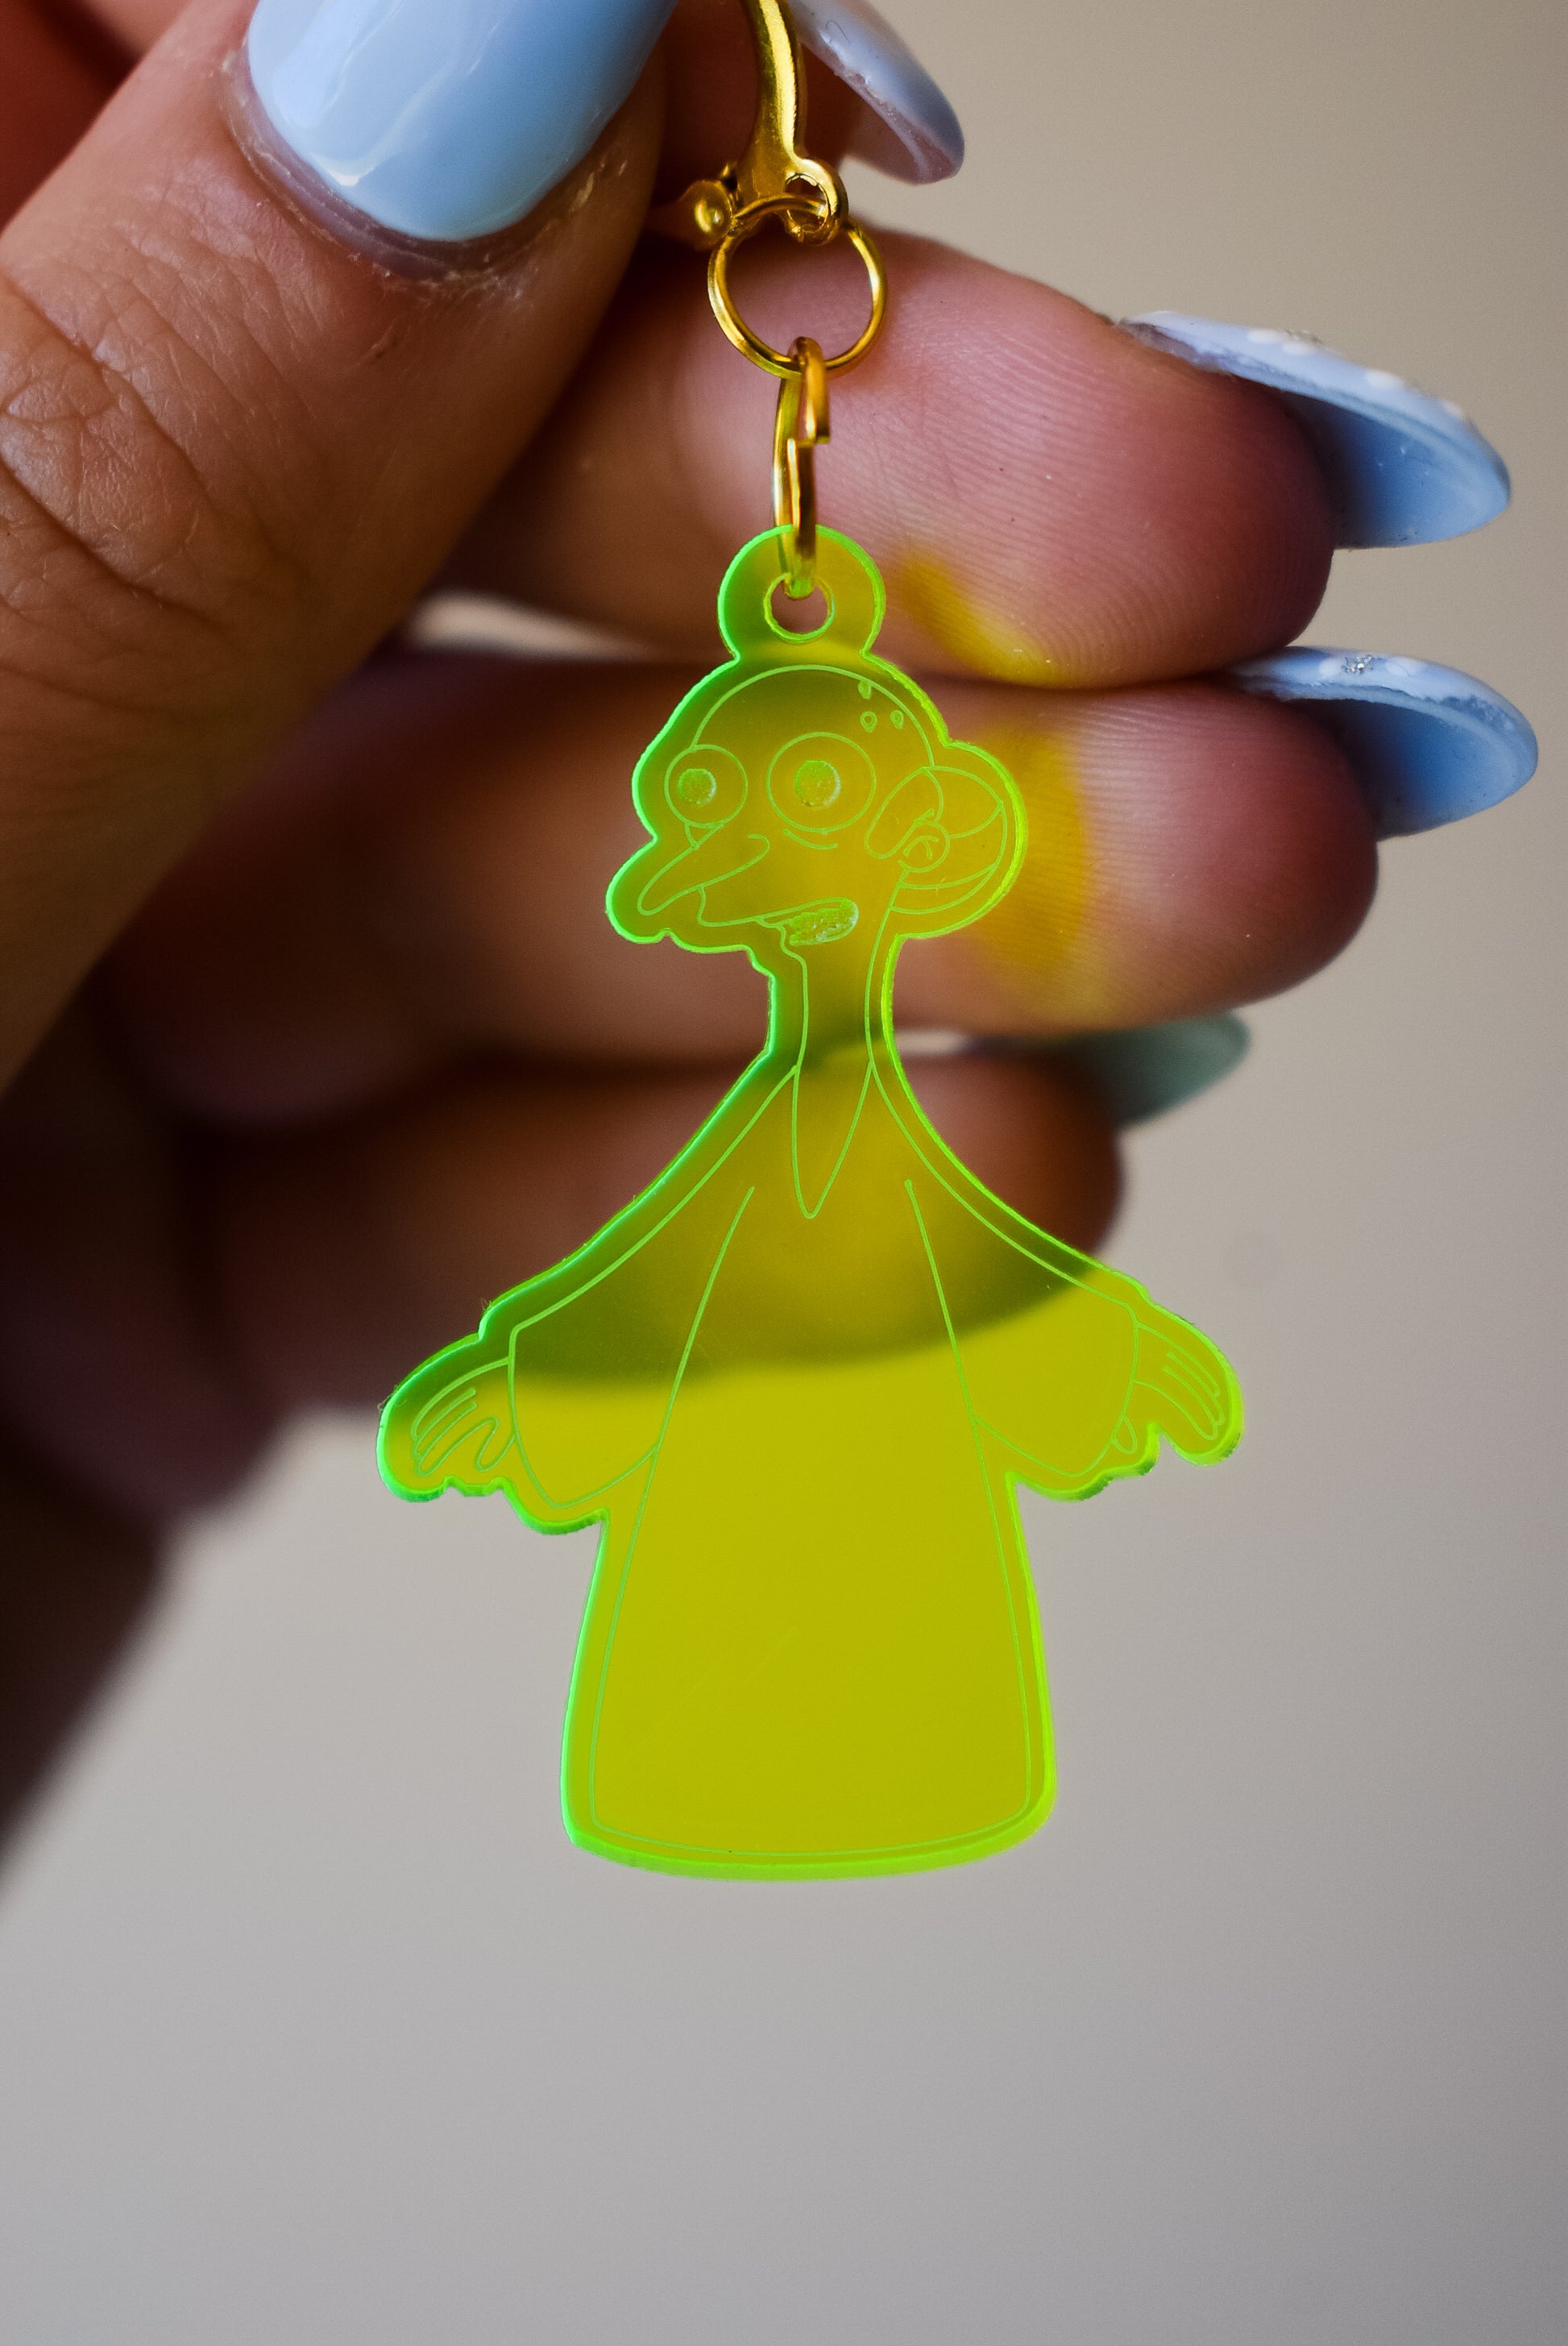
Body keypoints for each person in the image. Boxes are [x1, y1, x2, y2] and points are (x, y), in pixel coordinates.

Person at [0, 0, 1385, 1834]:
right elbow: (658, 1269)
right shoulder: (780, 1131)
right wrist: (529, 1369)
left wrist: (1093, 1348)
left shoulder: (824, 1119)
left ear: (932, 840)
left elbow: (865, 1246)